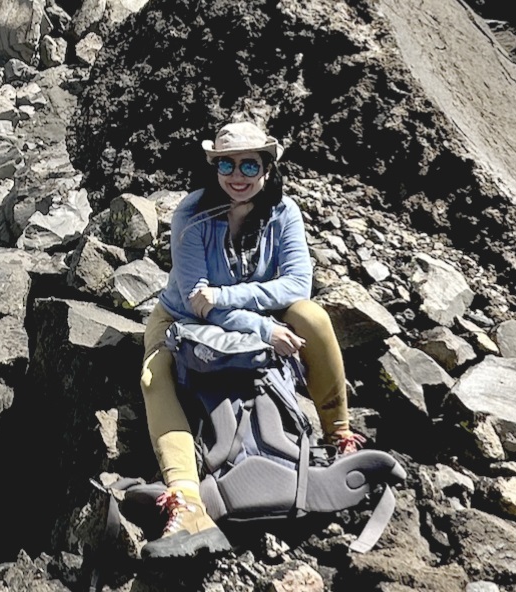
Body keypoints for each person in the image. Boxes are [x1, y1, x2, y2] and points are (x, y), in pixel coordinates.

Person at [139, 120, 365, 558]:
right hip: (183, 318)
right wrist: (263, 328)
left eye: (249, 164)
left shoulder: (284, 213)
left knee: (313, 318)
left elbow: (297, 285)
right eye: (226, 163)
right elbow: (194, 299)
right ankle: (185, 499)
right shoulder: (191, 214)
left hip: (250, 309)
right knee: (154, 374)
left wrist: (231, 298)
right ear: (213, 167)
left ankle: (340, 436)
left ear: (267, 168)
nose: (237, 175)